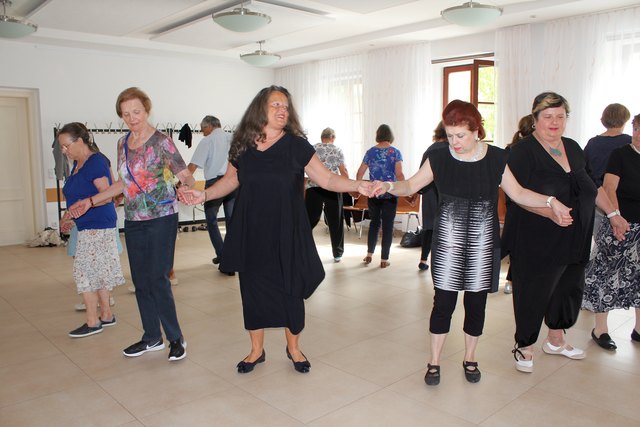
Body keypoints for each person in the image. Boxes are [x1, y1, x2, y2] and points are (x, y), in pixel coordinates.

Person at [369, 100, 573, 386]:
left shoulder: (497, 158)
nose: (454, 142)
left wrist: (551, 202)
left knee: (476, 306)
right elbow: (411, 185)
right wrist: (389, 186)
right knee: (443, 305)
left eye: (460, 135)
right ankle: (434, 361)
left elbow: (520, 194)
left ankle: (470, 358)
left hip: (482, 246)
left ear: (476, 131)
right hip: (448, 246)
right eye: (450, 135)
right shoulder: (439, 157)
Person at [180, 85, 372, 374]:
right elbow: (232, 180)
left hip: (287, 229)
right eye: (276, 105)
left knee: (291, 289)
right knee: (253, 290)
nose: (283, 110)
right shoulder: (243, 145)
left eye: (286, 106)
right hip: (252, 229)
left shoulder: (296, 145)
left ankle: (293, 348)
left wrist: (357, 185)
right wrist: (203, 195)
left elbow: (328, 180)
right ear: (261, 109)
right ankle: (256, 350)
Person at [502, 92, 628, 373]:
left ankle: (556, 339)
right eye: (548, 117)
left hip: (576, 234)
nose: (554, 122)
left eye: (560, 116)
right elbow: (517, 197)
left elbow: (592, 186)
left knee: (568, 288)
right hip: (537, 237)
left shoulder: (572, 147)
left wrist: (613, 214)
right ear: (535, 120)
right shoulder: (522, 152)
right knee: (534, 291)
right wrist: (549, 211)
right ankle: (524, 346)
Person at [69, 87, 196, 361]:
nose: (131, 118)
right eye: (126, 114)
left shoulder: (162, 141)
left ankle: (176, 338)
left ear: (147, 110)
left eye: (136, 111)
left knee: (158, 278)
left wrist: (185, 187)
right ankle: (152, 337)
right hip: (134, 219)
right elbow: (121, 183)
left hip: (162, 217)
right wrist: (90, 201)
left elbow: (185, 175)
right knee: (140, 280)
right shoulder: (122, 143)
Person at [58, 122, 125, 338]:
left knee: (84, 273)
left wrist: (85, 205)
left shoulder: (95, 161)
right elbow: (76, 197)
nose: (63, 151)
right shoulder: (77, 165)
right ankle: (105, 315)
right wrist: (68, 215)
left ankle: (92, 321)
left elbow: (106, 195)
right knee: (97, 273)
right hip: (85, 225)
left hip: (98, 225)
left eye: (66, 146)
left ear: (80, 141)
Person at [583, 113, 640, 350]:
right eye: (638, 129)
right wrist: (616, 218)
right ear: (634, 129)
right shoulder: (621, 154)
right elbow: (608, 188)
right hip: (621, 223)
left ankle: (638, 329)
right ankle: (600, 329)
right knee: (607, 275)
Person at [188, 115, 236, 276]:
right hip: (233, 182)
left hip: (215, 185)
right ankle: (231, 258)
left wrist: (181, 183)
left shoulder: (207, 141)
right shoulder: (233, 137)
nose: (203, 133)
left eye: (203, 130)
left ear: (209, 126)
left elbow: (193, 165)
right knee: (231, 222)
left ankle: (223, 256)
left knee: (211, 220)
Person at [356, 124, 404, 268]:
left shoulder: (370, 152)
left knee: (374, 224)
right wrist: (403, 189)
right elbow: (400, 174)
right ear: (390, 136)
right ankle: (384, 259)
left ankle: (369, 254)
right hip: (389, 193)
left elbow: (359, 173)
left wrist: (358, 187)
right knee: (388, 226)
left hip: (373, 193)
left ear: (378, 135)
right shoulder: (395, 152)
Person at [584, 103, 631, 235]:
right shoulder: (629, 143)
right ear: (625, 120)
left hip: (595, 198)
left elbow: (584, 170)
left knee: (601, 241)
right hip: (621, 200)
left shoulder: (592, 143)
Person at [305, 127, 349, 262]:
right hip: (332, 188)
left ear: (321, 137)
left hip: (314, 187)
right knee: (336, 221)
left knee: (309, 221)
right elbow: (344, 171)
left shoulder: (312, 148)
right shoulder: (337, 150)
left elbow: (305, 169)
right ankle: (337, 254)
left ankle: (303, 249)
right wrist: (348, 186)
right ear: (333, 138)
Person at [502, 114, 535, 294]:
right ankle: (512, 279)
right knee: (518, 244)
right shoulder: (514, 150)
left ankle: (514, 280)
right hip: (520, 203)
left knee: (519, 244)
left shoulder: (511, 148)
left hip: (520, 203)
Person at [417, 122, 447, 271]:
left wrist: (418, 191)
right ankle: (442, 261)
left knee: (429, 227)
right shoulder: (452, 149)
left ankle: (423, 259)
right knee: (445, 227)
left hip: (430, 192)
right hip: (447, 192)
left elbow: (421, 174)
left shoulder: (431, 149)